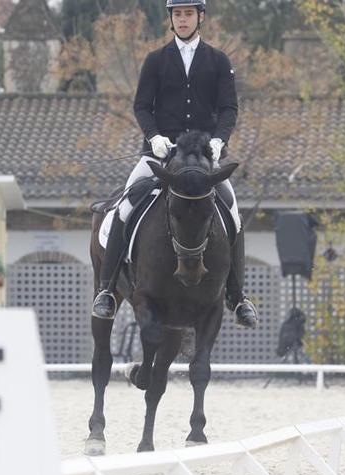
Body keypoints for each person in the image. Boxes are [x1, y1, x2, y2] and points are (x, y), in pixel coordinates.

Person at [91, 0, 258, 329]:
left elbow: (229, 109)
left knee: (233, 214)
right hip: (160, 152)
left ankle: (238, 296)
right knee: (122, 209)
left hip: (203, 157)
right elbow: (142, 106)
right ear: (171, 19)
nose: (182, 20)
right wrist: (153, 136)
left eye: (188, 14)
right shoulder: (156, 60)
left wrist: (219, 141)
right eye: (177, 14)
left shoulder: (218, 61)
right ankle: (107, 290)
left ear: (200, 17)